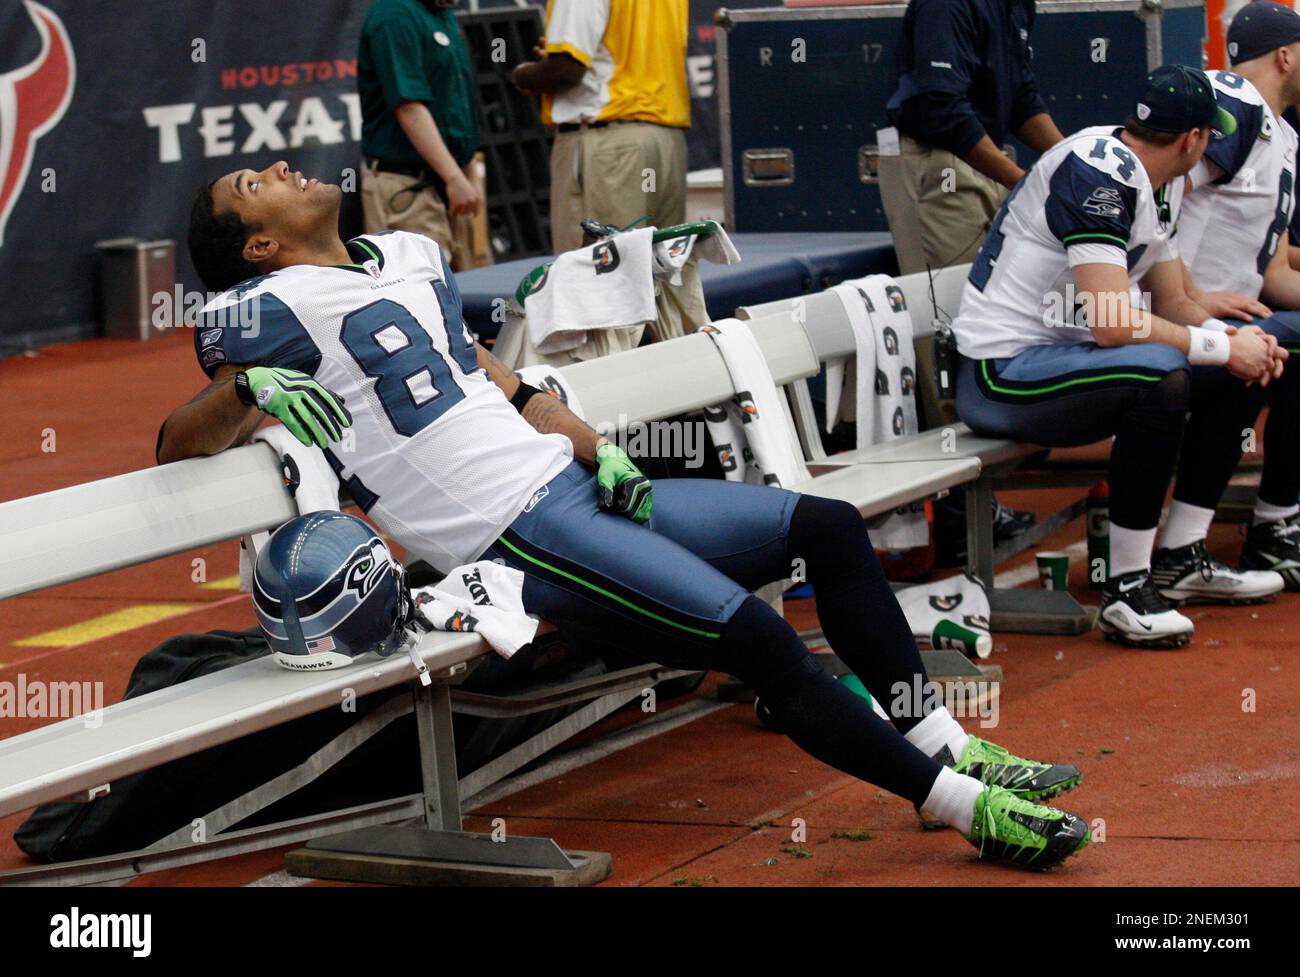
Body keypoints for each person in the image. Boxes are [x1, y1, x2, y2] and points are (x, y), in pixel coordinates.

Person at [165, 159, 1091, 870]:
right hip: (520, 536)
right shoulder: (264, 310)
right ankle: (956, 804)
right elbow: (175, 447)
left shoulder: (410, 253)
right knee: (761, 640)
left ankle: (941, 740)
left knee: (828, 529)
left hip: (574, 490)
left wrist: (588, 439)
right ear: (258, 246)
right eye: (256, 183)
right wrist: (245, 385)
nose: (283, 169)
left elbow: (495, 377)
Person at [952, 66, 1287, 650]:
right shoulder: (1099, 171)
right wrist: (1219, 344)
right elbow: (1112, 324)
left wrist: (1239, 345)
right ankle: (1127, 590)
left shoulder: (1159, 182)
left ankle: (1180, 555)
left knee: (1241, 367)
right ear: (1194, 140)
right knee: (1162, 376)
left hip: (1060, 361)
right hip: (1001, 372)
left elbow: (1175, 301)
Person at [1169, 4, 1300, 588]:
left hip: (1230, 318)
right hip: (1162, 317)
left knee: (1279, 345)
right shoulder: (1232, 103)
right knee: (1265, 349)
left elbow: (1272, 275)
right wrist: (1191, 296)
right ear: (1286, 55)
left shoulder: (1283, 136)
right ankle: (1258, 529)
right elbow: (1151, 190)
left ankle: (1276, 523)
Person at [510, 0, 705, 350]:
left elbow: (567, 69)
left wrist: (524, 74)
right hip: (663, 140)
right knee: (662, 287)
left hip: (610, 144)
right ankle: (678, 396)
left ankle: (607, 400)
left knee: (595, 290)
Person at [878, 0, 1066, 276]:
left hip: (986, 158)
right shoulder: (947, 5)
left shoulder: (1019, 4)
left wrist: (1074, 160)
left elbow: (1020, 97)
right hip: (939, 165)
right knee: (948, 305)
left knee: (995, 300)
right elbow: (941, 105)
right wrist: (1022, 183)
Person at [357, 0, 483, 270]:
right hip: (407, 187)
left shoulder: (442, 13)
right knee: (426, 299)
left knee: (469, 295)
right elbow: (408, 106)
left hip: (450, 182)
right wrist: (455, 177)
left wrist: (468, 172)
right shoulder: (394, 14)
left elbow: (455, 103)